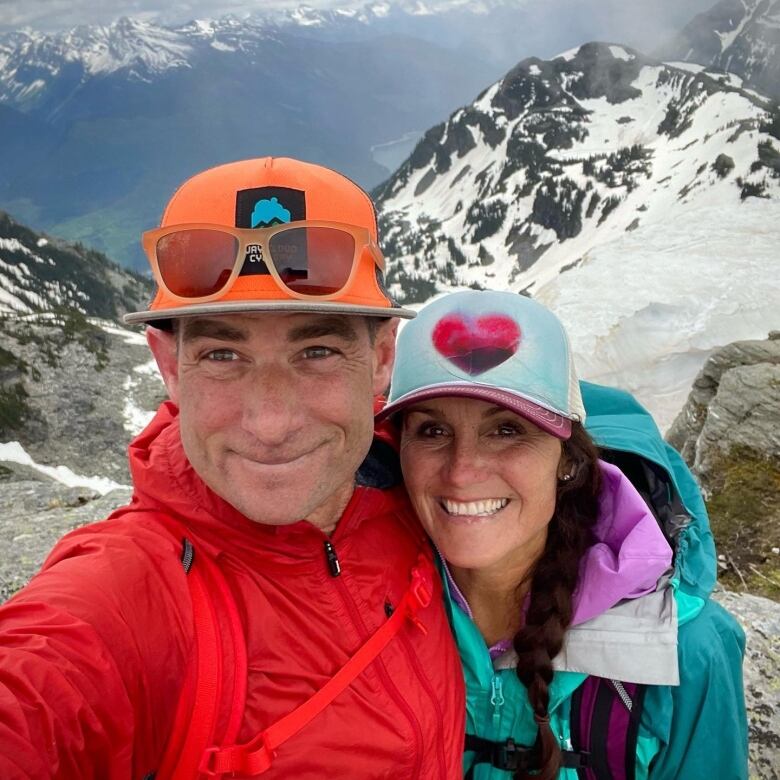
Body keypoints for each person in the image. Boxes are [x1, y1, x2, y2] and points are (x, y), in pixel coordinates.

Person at [0, 157, 465, 778]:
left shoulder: (430, 495)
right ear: (169, 365)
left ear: (381, 359)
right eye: (223, 354)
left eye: (317, 350)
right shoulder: (125, 594)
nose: (270, 423)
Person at [377, 290, 748, 779]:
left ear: (568, 461)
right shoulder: (365, 610)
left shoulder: (684, 651)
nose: (463, 471)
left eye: (507, 430)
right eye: (432, 431)